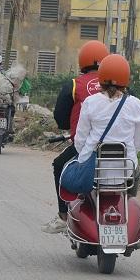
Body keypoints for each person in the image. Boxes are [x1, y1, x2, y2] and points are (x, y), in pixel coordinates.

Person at [42, 40, 107, 234]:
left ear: (82, 62)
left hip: (86, 145)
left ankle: (63, 215)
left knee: (59, 165)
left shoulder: (74, 85)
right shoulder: (121, 86)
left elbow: (61, 117)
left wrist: (67, 128)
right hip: (117, 148)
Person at [71, 53, 140, 181]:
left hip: (93, 169)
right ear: (126, 79)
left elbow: (80, 141)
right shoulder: (135, 104)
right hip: (125, 170)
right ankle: (129, 197)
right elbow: (139, 144)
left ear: (100, 77)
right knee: (136, 171)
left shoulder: (90, 102)